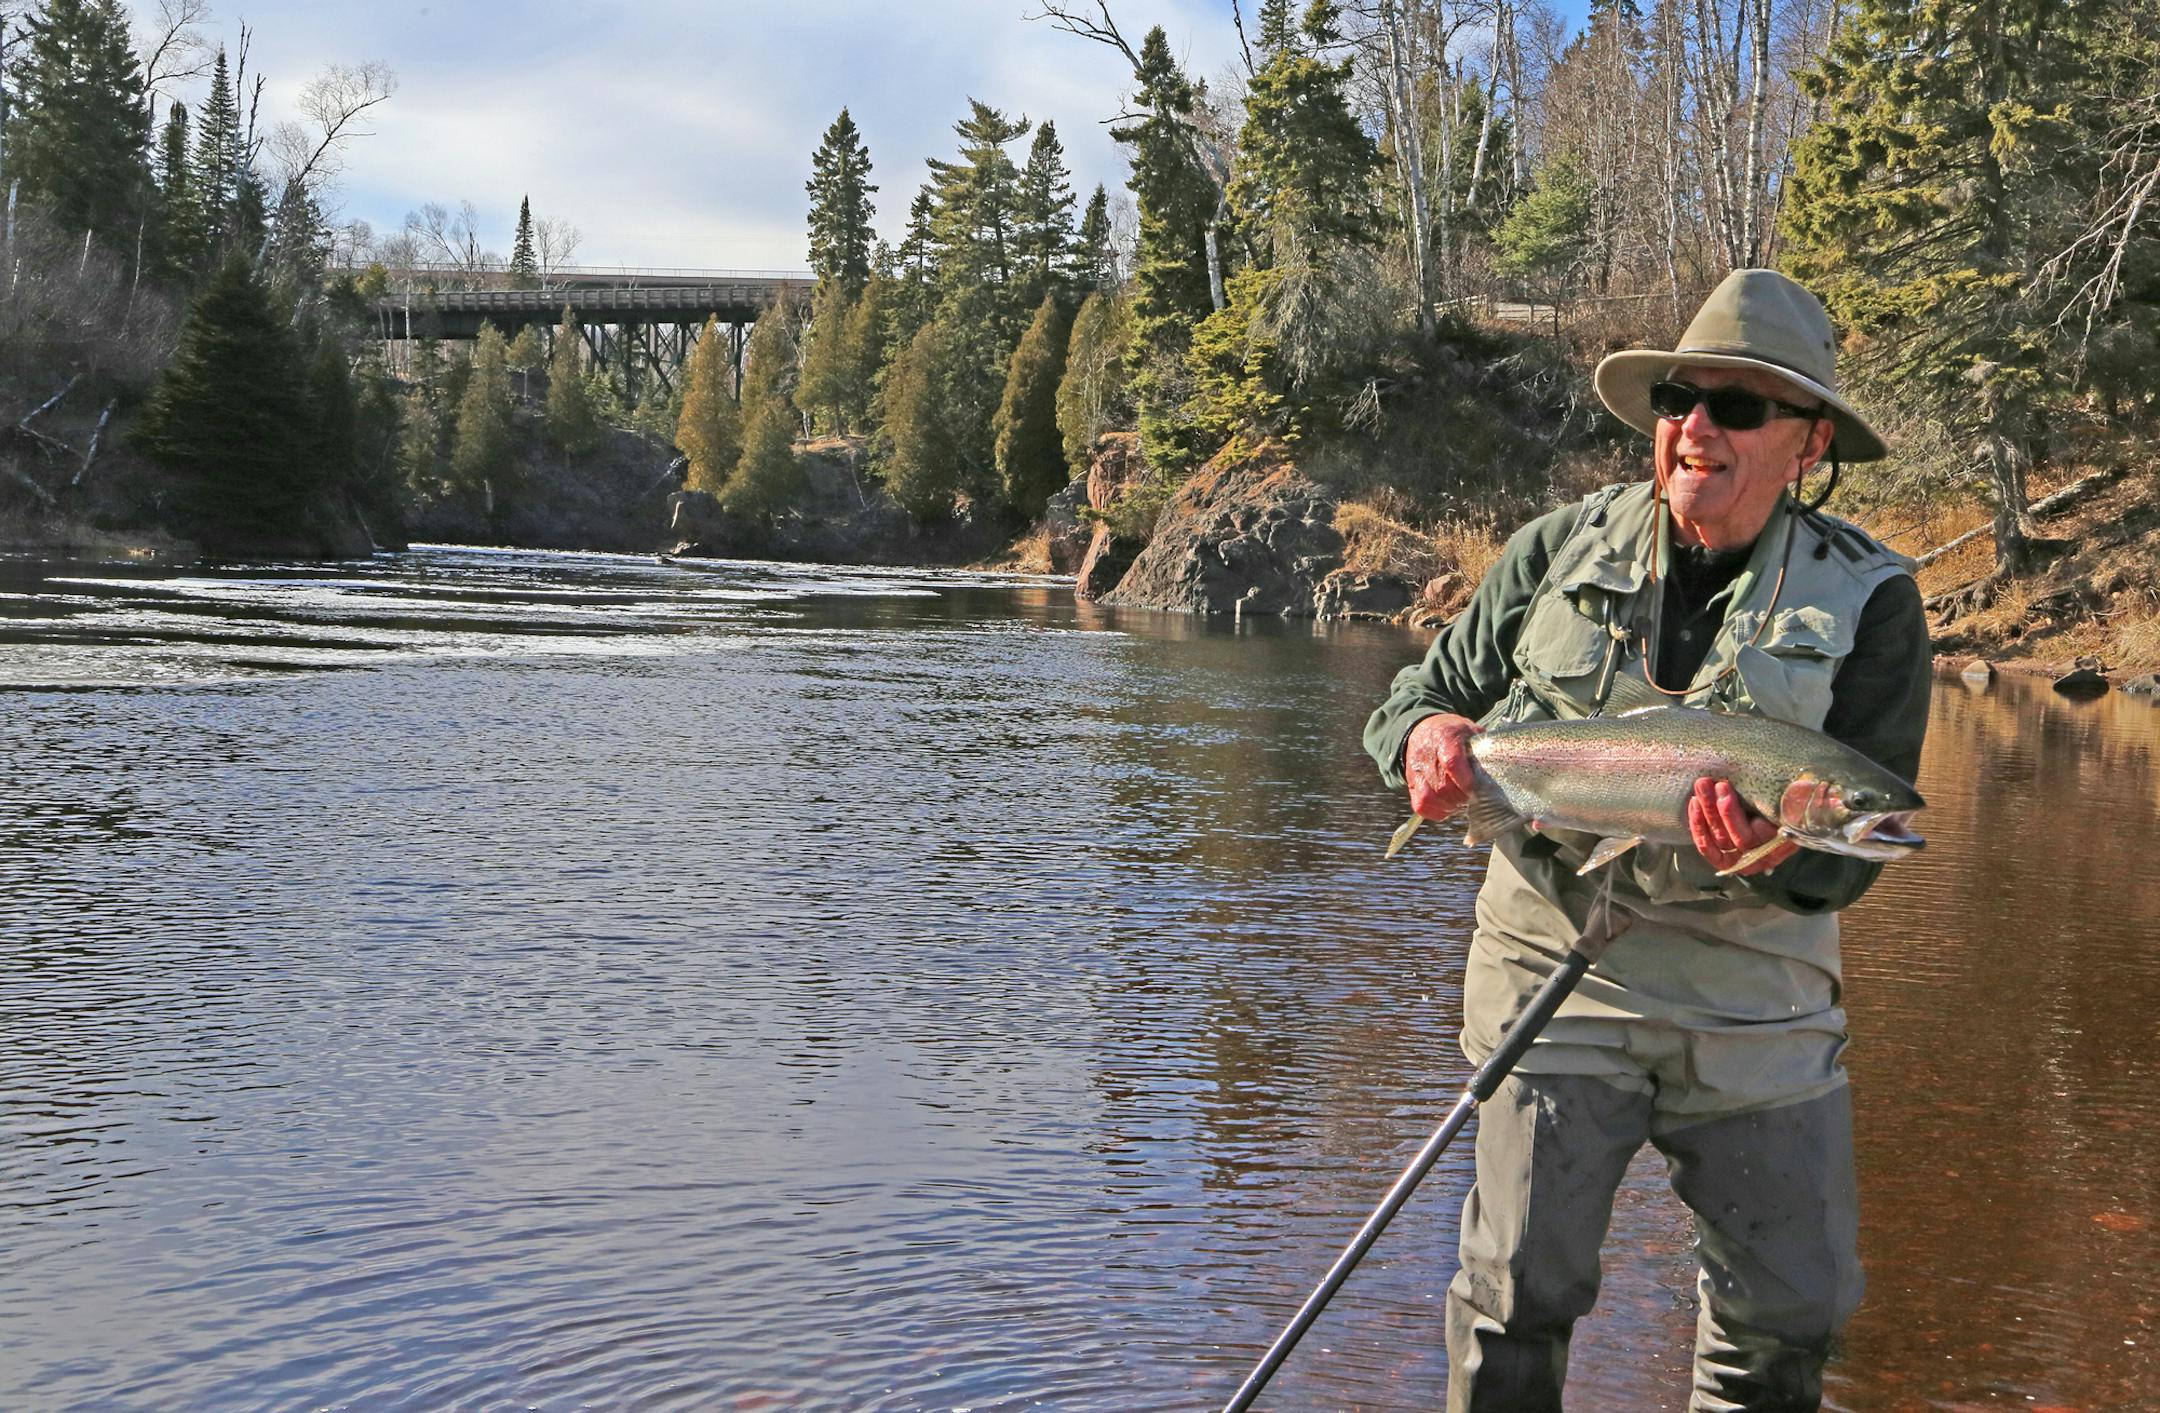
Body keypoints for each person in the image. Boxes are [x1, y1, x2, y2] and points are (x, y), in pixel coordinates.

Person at [1363, 269, 1931, 1412]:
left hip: (1754, 994)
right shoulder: (1550, 552)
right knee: (1515, 1292)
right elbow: (1416, 698)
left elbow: (1852, 851)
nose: (1698, 429)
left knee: (1790, 1314)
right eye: (1681, 398)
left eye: (1739, 408)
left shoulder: (1874, 603)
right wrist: (1426, 739)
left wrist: (1781, 851)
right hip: (1551, 977)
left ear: (1807, 441)